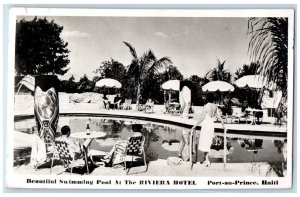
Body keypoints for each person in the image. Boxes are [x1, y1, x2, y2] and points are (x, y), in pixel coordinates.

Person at [191, 93, 225, 167]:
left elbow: (202, 118)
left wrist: (195, 125)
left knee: (204, 142)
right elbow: (219, 117)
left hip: (206, 125)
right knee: (208, 142)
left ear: (207, 98)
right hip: (211, 125)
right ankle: (206, 160)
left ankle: (207, 161)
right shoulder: (215, 106)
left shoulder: (206, 106)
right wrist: (223, 125)